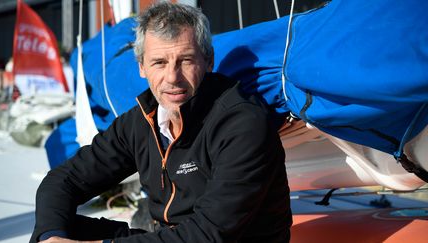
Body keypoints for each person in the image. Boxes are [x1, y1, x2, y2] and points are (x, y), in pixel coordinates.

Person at [31, 2, 292, 243]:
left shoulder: (243, 124)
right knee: (58, 229)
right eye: (159, 62)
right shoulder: (142, 121)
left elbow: (208, 234)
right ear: (141, 67)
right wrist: (51, 236)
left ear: (208, 61)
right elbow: (63, 180)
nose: (172, 77)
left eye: (185, 60)